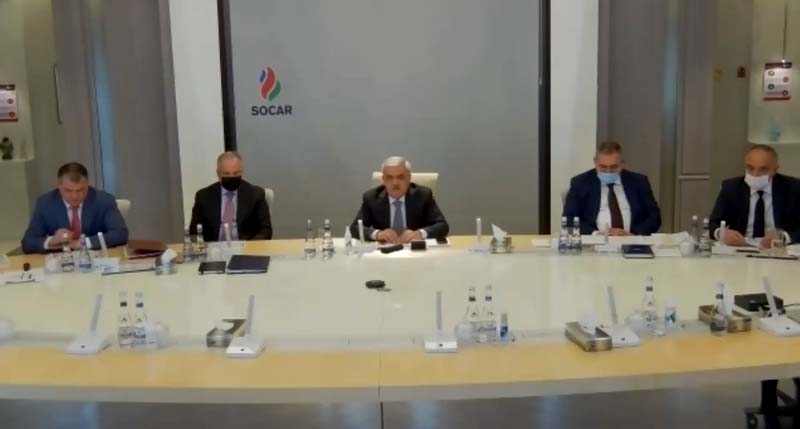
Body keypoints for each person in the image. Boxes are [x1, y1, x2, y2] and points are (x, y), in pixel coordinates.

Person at [21, 162, 128, 254]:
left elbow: (120, 234)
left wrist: (81, 243)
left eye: (80, 190)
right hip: (61, 262)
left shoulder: (104, 200)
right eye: (68, 190)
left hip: (96, 260)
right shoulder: (45, 203)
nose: (74, 196)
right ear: (59, 186)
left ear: (87, 185)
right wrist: (51, 241)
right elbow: (28, 242)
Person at [709, 144, 800, 248]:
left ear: (774, 170)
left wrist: (783, 237)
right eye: (750, 168)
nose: (755, 174)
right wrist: (722, 234)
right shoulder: (731, 188)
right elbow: (712, 225)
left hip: (778, 250)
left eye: (763, 169)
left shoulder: (794, 188)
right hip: (740, 248)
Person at [562, 141, 661, 235]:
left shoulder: (639, 181)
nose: (608, 171)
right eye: (603, 167)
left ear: (622, 163)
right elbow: (569, 219)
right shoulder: (580, 183)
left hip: (632, 240)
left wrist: (634, 234)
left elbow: (654, 217)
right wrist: (596, 234)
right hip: (596, 241)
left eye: (614, 167)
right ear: (595, 162)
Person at [350, 156, 448, 243]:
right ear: (383, 180)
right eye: (389, 178)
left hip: (415, 250)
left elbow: (442, 225)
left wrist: (420, 234)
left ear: (409, 178)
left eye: (400, 177)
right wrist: (378, 234)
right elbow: (355, 228)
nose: (395, 183)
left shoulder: (423, 195)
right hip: (385, 250)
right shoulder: (371, 198)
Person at [189, 151, 272, 241]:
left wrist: (249, 247)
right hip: (214, 247)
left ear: (242, 172)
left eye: (236, 173)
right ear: (218, 173)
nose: (231, 177)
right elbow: (194, 232)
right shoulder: (203, 196)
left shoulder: (256, 194)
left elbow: (266, 231)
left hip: (245, 246)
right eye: (226, 174)